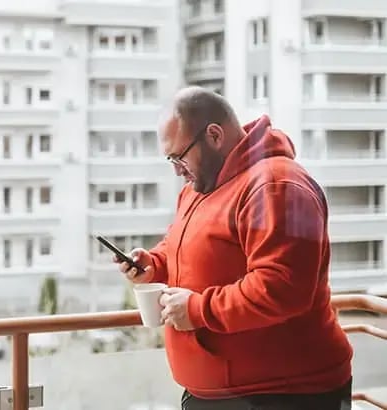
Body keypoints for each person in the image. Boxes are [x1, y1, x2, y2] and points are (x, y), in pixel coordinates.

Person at [115, 87, 353, 410]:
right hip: (227, 394)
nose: (175, 169)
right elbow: (183, 247)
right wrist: (154, 264)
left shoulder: (274, 185)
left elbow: (282, 288)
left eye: (179, 156)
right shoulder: (199, 188)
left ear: (213, 135)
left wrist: (198, 309)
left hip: (282, 395)